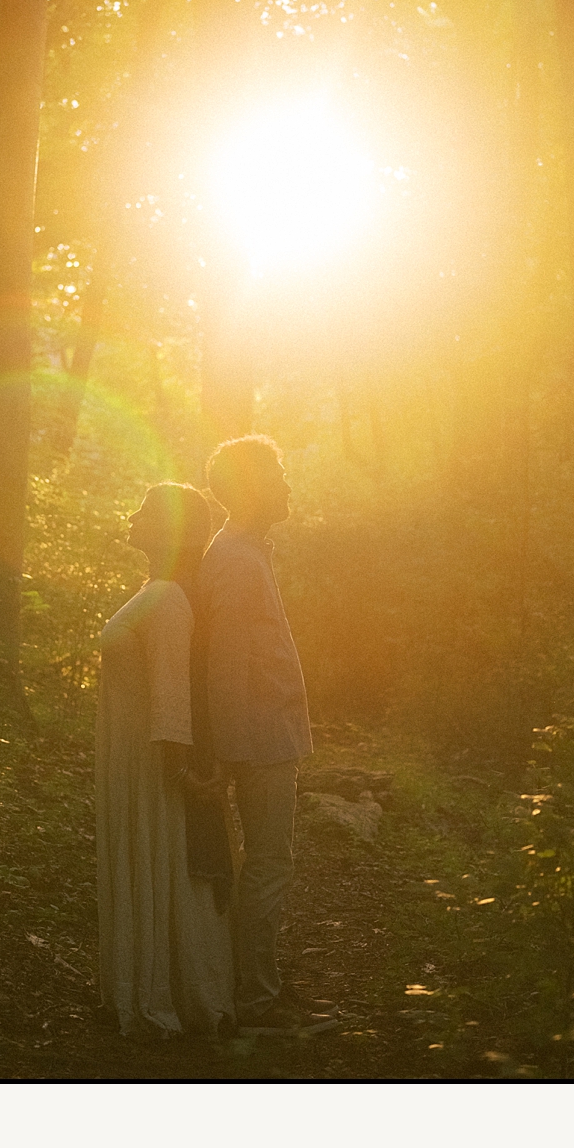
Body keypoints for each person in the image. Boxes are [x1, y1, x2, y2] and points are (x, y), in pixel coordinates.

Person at [197, 434, 335, 1037]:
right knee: (268, 865)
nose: (286, 485)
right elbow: (223, 659)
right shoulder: (233, 556)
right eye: (277, 474)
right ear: (253, 485)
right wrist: (225, 750)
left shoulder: (244, 552)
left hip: (263, 734)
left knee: (264, 864)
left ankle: (254, 988)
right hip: (256, 740)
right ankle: (255, 1000)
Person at [96, 482, 234, 1040]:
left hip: (152, 761)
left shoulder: (171, 598)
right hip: (131, 754)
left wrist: (179, 768)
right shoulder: (157, 590)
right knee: (145, 859)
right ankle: (144, 986)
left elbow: (174, 693)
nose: (131, 516)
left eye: (145, 512)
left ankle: (170, 992)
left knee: (163, 861)